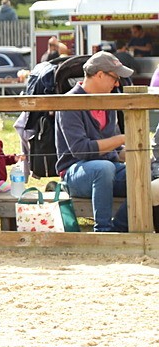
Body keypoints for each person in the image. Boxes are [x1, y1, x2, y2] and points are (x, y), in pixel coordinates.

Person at [55, 51, 131, 232]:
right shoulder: (69, 103)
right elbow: (81, 150)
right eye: (115, 78)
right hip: (75, 173)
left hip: (107, 168)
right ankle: (103, 230)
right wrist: (119, 139)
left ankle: (120, 227)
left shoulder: (108, 102)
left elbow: (115, 148)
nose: (117, 83)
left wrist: (136, 153)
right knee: (103, 168)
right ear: (99, 74)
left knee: (145, 172)